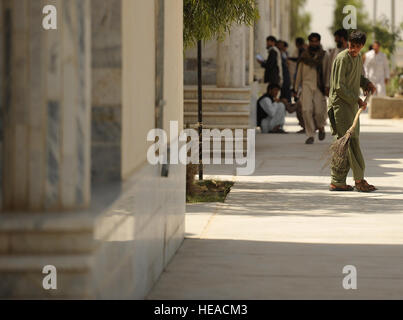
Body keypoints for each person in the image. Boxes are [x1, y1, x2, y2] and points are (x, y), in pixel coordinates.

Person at [328, 30, 377, 192]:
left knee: (345, 142)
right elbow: (338, 87)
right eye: (351, 45)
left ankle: (338, 181)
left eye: (357, 46)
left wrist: (367, 84)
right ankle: (359, 180)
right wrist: (357, 100)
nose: (353, 49)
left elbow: (358, 78)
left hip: (350, 106)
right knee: (348, 142)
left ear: (362, 46)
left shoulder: (356, 60)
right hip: (340, 105)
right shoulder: (342, 58)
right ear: (347, 43)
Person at [294, 32, 330, 144]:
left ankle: (321, 127)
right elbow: (299, 72)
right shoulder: (304, 56)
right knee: (306, 110)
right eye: (312, 41)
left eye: (316, 41)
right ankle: (310, 134)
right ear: (309, 42)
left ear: (319, 42)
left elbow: (328, 71)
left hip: (319, 86)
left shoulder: (324, 55)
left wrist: (328, 86)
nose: (314, 43)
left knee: (320, 111)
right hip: (306, 86)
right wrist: (295, 88)